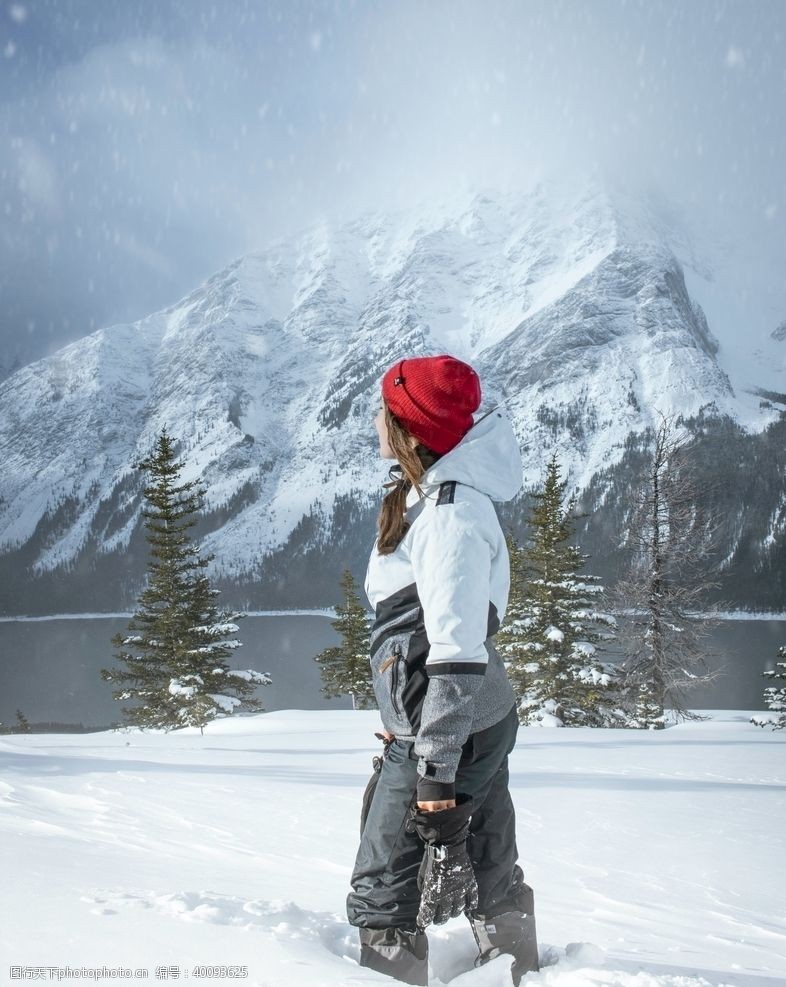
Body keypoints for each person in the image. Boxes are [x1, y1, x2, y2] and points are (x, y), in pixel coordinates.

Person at [346, 354, 540, 986]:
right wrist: (409, 718)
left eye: (384, 409)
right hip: (460, 721)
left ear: (409, 428)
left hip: (453, 725)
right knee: (487, 855)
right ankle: (518, 969)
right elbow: (428, 641)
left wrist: (433, 770)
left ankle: (391, 974)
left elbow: (454, 660)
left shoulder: (451, 514)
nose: (374, 419)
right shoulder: (429, 497)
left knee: (386, 884)